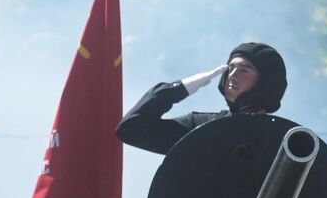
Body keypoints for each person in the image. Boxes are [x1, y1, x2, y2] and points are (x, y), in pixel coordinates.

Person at [117, 42, 288, 156]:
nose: (232, 76)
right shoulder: (200, 128)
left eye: (244, 70)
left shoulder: (284, 140)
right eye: (231, 68)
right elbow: (131, 130)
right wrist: (181, 88)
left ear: (265, 83)